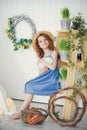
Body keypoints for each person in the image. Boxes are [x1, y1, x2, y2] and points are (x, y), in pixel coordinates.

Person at [9, 31, 61, 120]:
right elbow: (41, 73)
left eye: (45, 40)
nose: (43, 42)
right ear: (38, 45)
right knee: (28, 84)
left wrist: (43, 61)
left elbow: (52, 68)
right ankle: (25, 109)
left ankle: (20, 112)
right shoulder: (42, 56)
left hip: (51, 79)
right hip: (44, 77)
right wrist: (41, 65)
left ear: (49, 41)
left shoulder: (53, 53)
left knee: (30, 86)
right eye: (40, 41)